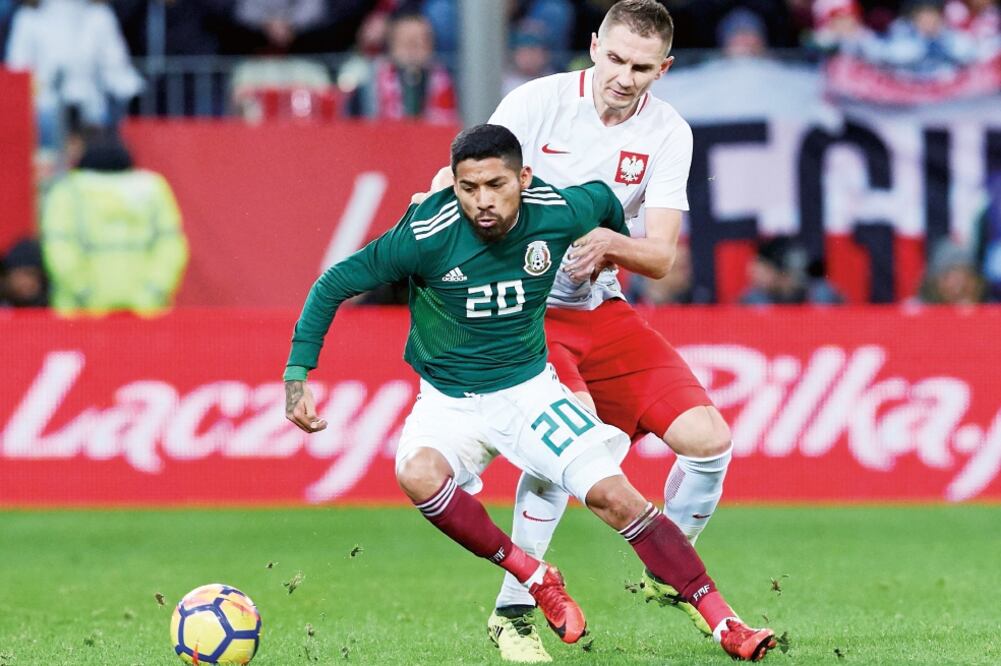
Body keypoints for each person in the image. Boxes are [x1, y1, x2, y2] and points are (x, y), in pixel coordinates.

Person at [285, 124, 776, 663]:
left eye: (495, 185)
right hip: (449, 400)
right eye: (468, 188)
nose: (482, 201)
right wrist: (297, 374)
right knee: (417, 475)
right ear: (453, 184)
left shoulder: (555, 210)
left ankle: (725, 623)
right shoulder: (426, 232)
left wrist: (607, 252)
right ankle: (534, 575)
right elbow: (333, 283)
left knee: (616, 498)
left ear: (524, 178)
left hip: (529, 391)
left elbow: (603, 200)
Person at [411, 2, 768, 661]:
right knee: (568, 438)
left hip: (599, 307)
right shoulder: (536, 104)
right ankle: (513, 613)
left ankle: (669, 572)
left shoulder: (668, 132)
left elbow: (660, 255)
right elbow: (463, 180)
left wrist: (610, 242)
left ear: (663, 69)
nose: (624, 78)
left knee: (709, 442)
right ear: (594, 45)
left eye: (641, 68)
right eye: (615, 59)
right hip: (524, 310)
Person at [40, 130, 188, 316]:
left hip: (81, 313)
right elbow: (171, 247)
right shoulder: (153, 187)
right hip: (147, 313)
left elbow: (59, 249)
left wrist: (86, 294)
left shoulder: (67, 190)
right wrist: (152, 295)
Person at [342, 10, 457, 124]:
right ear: (392, 45)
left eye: (420, 41)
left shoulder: (452, 80)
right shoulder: (367, 82)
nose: (413, 50)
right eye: (406, 42)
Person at [0, 238, 48, 308]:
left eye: (34, 276)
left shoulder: (47, 304)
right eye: (25, 274)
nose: (29, 282)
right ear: (8, 275)